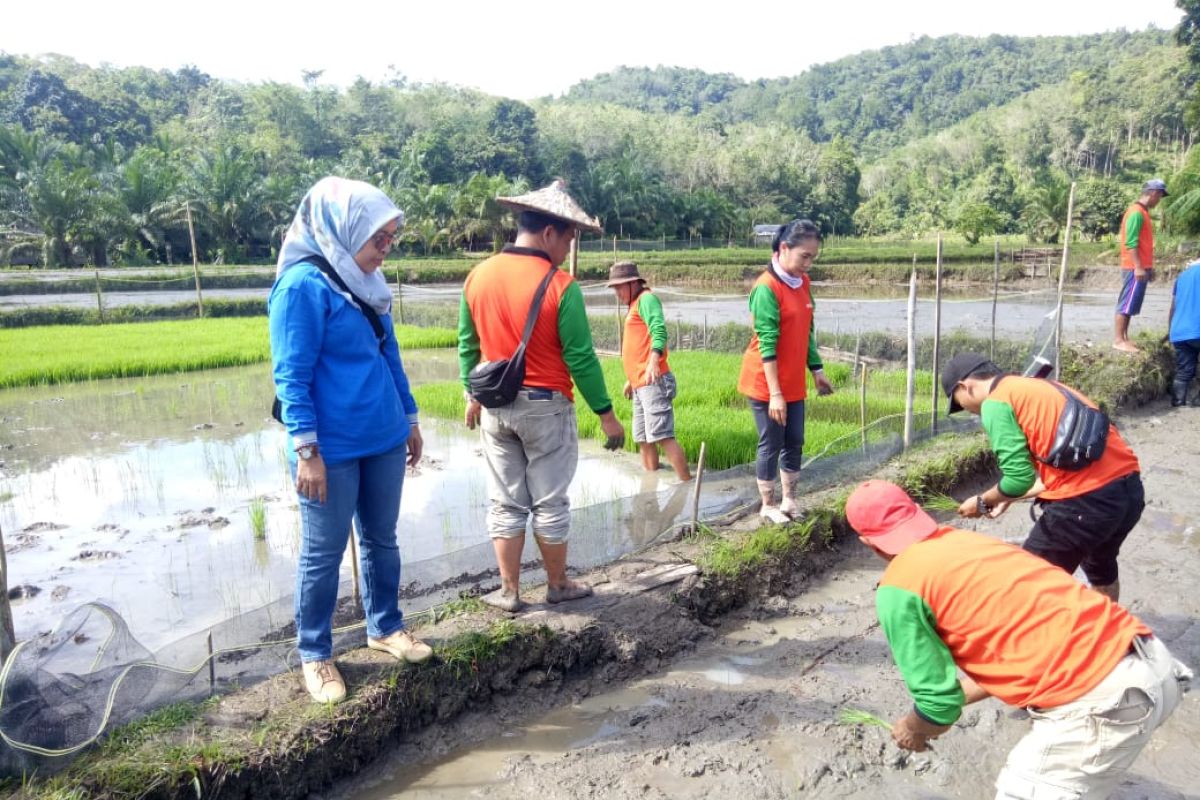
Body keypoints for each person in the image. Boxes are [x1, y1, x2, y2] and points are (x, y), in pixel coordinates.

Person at [845, 479, 1191, 800]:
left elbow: (938, 707)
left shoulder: (898, 588)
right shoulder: (968, 542)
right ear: (917, 515)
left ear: (868, 542)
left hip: (1103, 700)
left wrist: (912, 728)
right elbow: (1014, 655)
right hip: (1155, 665)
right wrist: (942, 706)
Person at [269, 176, 432, 704]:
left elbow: (390, 356)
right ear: (344, 230)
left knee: (382, 539)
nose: (385, 251)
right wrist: (307, 451)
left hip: (383, 435)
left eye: (391, 240)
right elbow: (290, 376)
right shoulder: (302, 286)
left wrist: (408, 418)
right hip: (331, 449)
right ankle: (315, 654)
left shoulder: (368, 287)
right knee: (323, 554)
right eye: (378, 240)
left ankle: (385, 626)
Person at [459, 180, 625, 613]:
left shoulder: (477, 276)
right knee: (550, 501)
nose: (568, 245)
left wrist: (470, 394)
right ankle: (557, 585)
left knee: (506, 501)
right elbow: (582, 359)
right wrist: (606, 415)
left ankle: (509, 592)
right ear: (549, 233)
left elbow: (467, 345)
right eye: (568, 236)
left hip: (495, 408)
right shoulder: (560, 285)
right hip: (545, 408)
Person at [941, 351, 1143, 602]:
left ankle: (1045, 637)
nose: (967, 411)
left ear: (964, 386)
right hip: (1129, 492)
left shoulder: (996, 402)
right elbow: (1069, 468)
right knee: (1100, 564)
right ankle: (1110, 628)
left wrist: (983, 501)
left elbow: (1018, 478)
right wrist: (1008, 498)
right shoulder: (1043, 387)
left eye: (959, 403)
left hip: (1085, 504)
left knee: (1028, 585)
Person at [737, 219, 834, 524]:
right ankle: (767, 504)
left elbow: (806, 331)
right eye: (804, 256)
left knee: (795, 440)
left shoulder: (801, 283)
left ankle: (790, 501)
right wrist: (775, 395)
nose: (809, 264)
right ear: (783, 248)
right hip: (766, 383)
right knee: (772, 441)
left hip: (792, 379)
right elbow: (767, 343)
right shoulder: (767, 288)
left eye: (813, 258)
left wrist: (816, 370)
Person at [607, 260, 691, 482]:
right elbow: (639, 345)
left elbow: (658, 329)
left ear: (633, 283)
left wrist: (654, 360)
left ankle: (687, 484)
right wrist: (630, 378)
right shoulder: (634, 305)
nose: (617, 292)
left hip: (654, 381)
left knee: (663, 436)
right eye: (614, 288)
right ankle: (650, 482)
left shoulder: (647, 299)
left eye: (619, 287)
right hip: (640, 384)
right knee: (643, 438)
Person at [1114, 178, 1168, 353]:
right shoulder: (1136, 212)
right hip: (1133, 266)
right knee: (1126, 302)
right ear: (1153, 193)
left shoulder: (1142, 212)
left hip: (1140, 266)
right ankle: (1118, 340)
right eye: (1159, 196)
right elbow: (1131, 242)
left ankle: (1125, 338)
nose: (1159, 200)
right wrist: (1138, 266)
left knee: (1132, 304)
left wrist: (1147, 267)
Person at [1168, 259, 1200, 406]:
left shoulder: (1182, 276)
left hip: (1179, 331)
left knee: (1184, 372)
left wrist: (1170, 330)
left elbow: (1173, 306)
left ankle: (1178, 401)